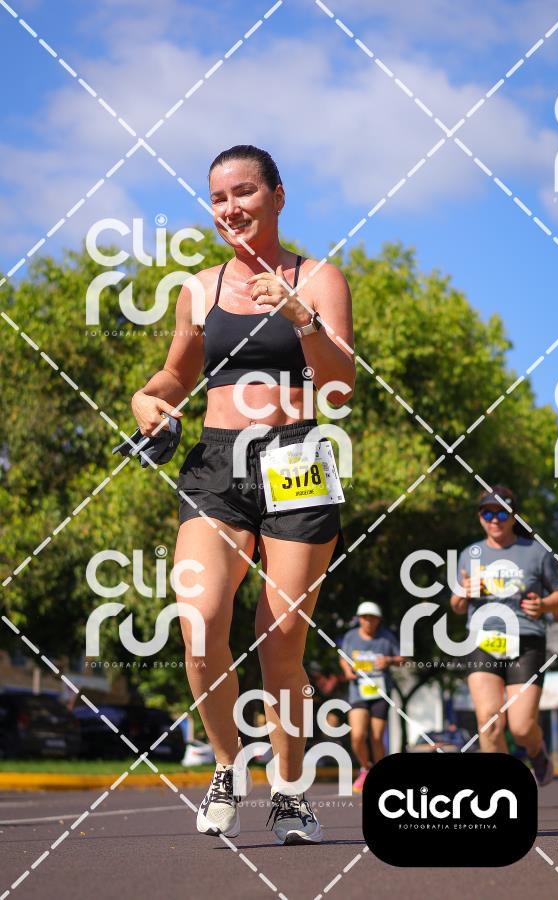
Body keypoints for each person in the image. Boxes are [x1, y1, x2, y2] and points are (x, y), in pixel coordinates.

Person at [130, 145, 355, 843]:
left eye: (244, 192)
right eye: (219, 198)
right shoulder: (198, 289)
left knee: (279, 641)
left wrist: (301, 319)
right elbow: (175, 375)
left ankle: (289, 791)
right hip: (216, 464)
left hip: (297, 458)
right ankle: (227, 767)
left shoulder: (319, 278)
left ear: (277, 197)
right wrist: (147, 399)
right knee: (198, 621)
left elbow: (341, 388)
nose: (231, 208)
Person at [450, 486, 558, 786]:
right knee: (489, 722)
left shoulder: (536, 551)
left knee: (521, 727)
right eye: (487, 513)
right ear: (480, 516)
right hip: (482, 641)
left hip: (525, 641)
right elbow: (457, 606)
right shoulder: (469, 554)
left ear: (514, 516)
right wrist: (464, 592)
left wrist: (544, 605)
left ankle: (536, 751)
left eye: (502, 513)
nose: (495, 519)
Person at [339, 601, 402, 793]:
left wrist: (389, 660)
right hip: (357, 691)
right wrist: (347, 670)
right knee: (358, 735)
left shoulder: (387, 637)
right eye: (364, 618)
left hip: (380, 692)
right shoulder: (351, 637)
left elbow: (402, 659)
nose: (368, 621)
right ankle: (366, 768)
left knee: (376, 737)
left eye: (372, 618)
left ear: (378, 620)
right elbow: (343, 658)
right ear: (359, 619)